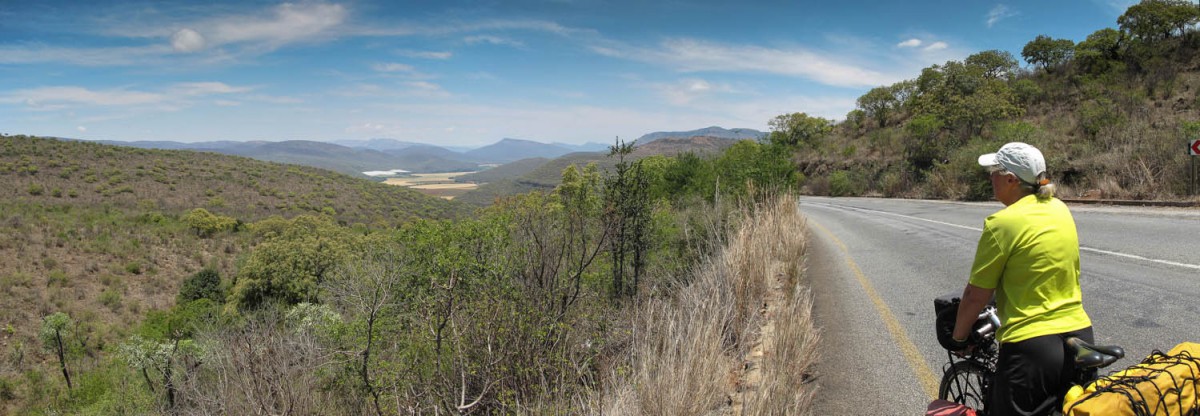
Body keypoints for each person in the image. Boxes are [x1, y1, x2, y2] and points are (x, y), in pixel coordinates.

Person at [949, 142, 1093, 416]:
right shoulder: (1060, 209)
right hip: (1080, 337)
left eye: (993, 171)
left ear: (1011, 179)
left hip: (1032, 349)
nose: (989, 177)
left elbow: (975, 295)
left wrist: (959, 338)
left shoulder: (1002, 223)